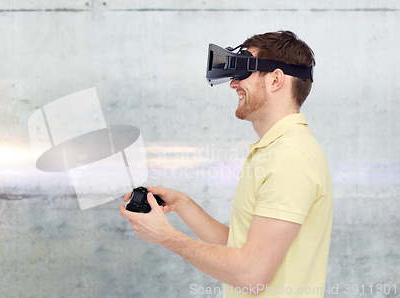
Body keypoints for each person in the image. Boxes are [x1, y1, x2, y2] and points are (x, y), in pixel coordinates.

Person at [120, 30, 333, 297]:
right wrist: (183, 204)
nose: (233, 84)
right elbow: (243, 248)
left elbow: (251, 274)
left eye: (243, 72)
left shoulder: (291, 158)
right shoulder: (278, 150)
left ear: (276, 80)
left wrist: (168, 238)